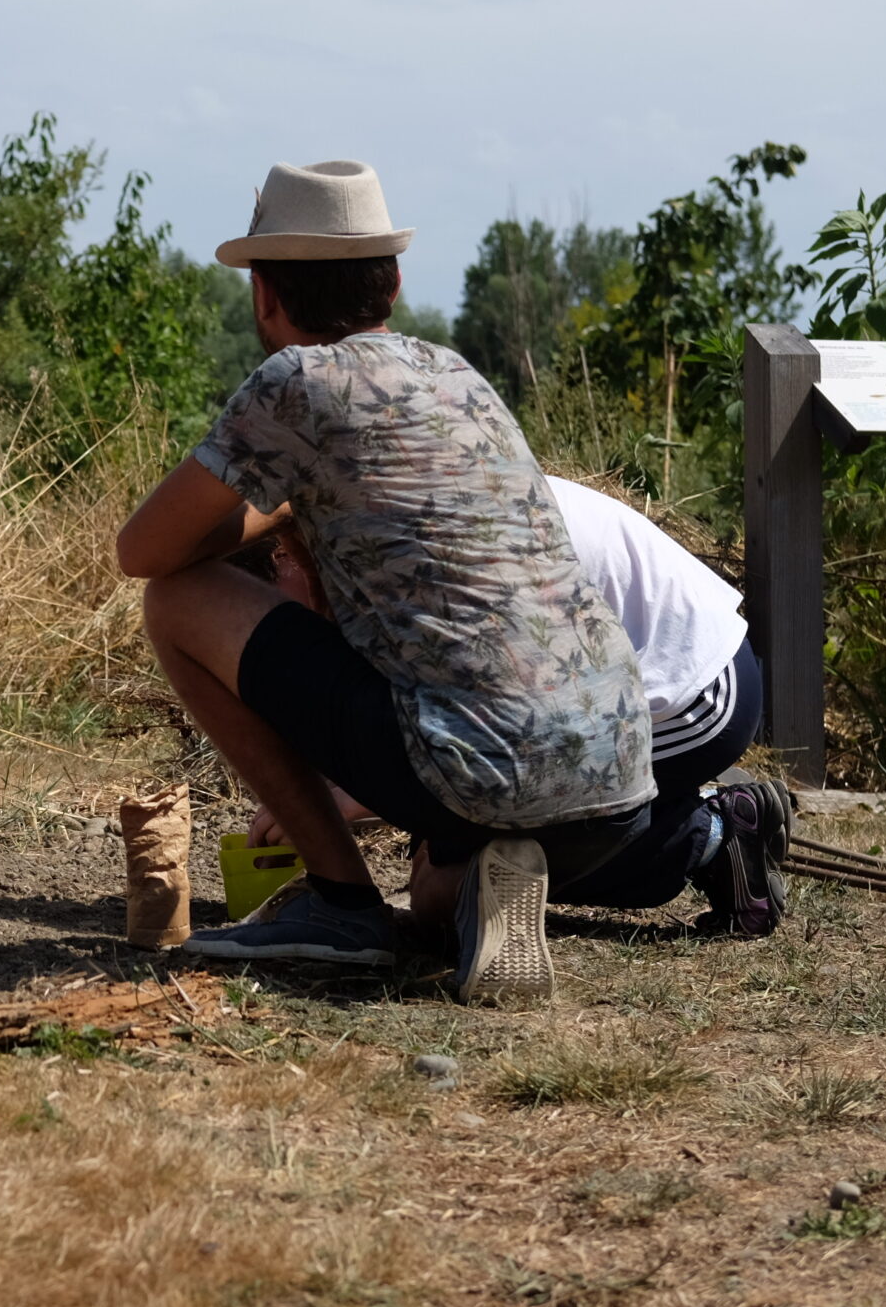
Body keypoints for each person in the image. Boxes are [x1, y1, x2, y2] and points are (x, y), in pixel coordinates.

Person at [115, 159, 654, 1004]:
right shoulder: (457, 376)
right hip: (619, 781)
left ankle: (340, 901)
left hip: (470, 767)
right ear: (392, 281)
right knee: (433, 905)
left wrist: (274, 508)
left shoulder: (296, 381)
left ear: (264, 293)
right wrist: (300, 502)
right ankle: (480, 889)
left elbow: (144, 549)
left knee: (175, 599)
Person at [247, 480, 792, 935]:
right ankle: (679, 816)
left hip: (687, 691)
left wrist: (341, 802)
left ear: (287, 554)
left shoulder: (411, 558)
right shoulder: (369, 542)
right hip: (587, 700)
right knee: (434, 881)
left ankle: (713, 833)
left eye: (278, 611)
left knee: (443, 896)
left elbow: (479, 734)